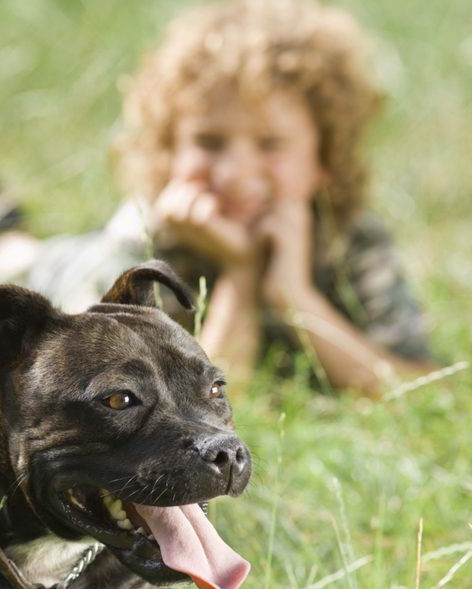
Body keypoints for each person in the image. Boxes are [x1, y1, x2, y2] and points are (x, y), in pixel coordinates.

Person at [28, 0, 435, 393]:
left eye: (270, 143)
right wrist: (242, 272)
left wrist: (294, 295)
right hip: (71, 266)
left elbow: (418, 385)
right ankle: (7, 243)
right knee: (30, 259)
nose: (235, 176)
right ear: (169, 149)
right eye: (208, 141)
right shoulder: (146, 240)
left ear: (324, 158)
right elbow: (202, 413)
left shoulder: (349, 236)